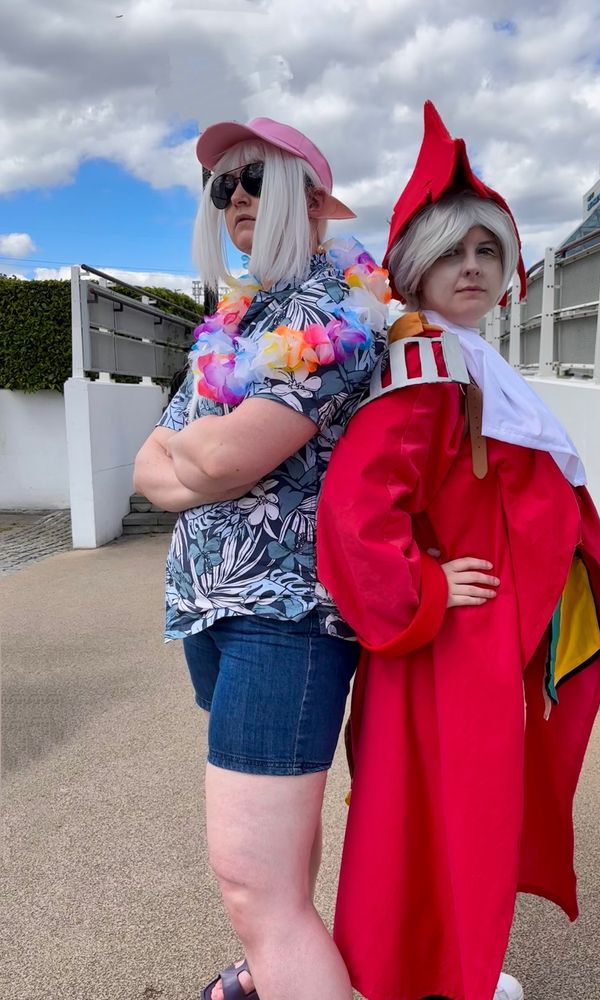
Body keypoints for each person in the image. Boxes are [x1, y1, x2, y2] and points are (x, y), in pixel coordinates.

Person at [316, 102, 600, 1000]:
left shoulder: (469, 362)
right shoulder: (422, 375)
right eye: (452, 252)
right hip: (441, 647)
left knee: (455, 814)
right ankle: (437, 977)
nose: (473, 268)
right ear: (415, 269)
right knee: (441, 814)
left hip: (474, 645)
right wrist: (431, 588)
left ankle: (448, 969)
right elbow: (356, 521)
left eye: (487, 250)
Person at [134, 115, 390, 1000]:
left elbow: (219, 459)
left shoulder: (334, 306)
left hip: (284, 619)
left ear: (312, 199)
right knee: (280, 867)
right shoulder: (239, 316)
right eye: (222, 187)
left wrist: (197, 456)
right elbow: (149, 468)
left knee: (252, 884)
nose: (236, 198)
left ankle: (283, 963)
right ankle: (279, 969)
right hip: (211, 608)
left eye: (255, 179)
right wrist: (198, 457)